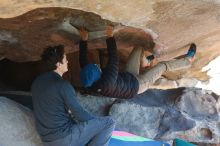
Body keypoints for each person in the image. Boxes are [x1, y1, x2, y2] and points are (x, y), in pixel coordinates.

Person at [79, 26, 197, 99]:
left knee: (138, 48)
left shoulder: (89, 77)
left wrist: (83, 40)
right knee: (162, 66)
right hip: (138, 85)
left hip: (128, 77)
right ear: (98, 75)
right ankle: (187, 61)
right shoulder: (107, 81)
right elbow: (113, 58)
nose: (98, 65)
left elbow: (83, 60)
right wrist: (110, 36)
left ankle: (145, 62)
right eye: (98, 68)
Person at [31, 45, 115, 146]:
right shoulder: (63, 85)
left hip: (46, 139)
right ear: (58, 64)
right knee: (109, 122)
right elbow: (79, 114)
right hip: (64, 138)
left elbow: (52, 104)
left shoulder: (37, 81)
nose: (67, 62)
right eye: (65, 59)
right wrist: (97, 124)